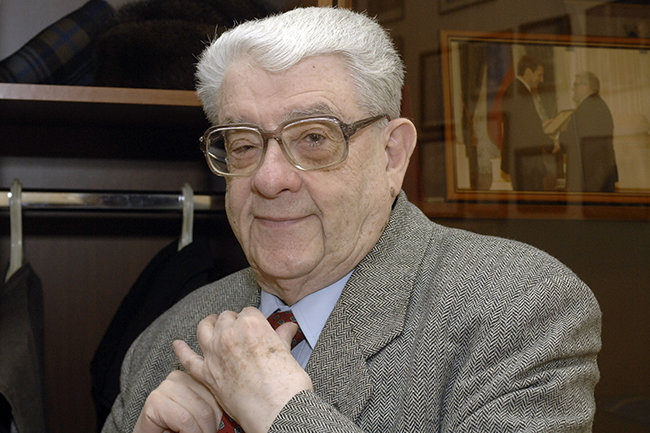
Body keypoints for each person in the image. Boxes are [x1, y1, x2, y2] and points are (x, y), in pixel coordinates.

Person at [101, 7, 601, 433]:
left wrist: (282, 412)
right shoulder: (168, 338)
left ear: (392, 155)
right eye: (244, 144)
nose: (269, 179)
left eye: (314, 138)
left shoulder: (520, 309)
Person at [501, 55, 555, 191]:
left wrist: (541, 126)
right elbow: (530, 129)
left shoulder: (515, 89)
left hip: (522, 163)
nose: (542, 80)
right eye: (539, 75)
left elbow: (522, 127)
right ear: (528, 72)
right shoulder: (520, 92)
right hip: (527, 166)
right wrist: (551, 145)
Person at [559, 71, 618, 192]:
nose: (573, 88)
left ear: (587, 87)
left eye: (576, 85)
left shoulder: (586, 109)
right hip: (600, 177)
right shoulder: (599, 106)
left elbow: (570, 141)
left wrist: (559, 137)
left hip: (589, 179)